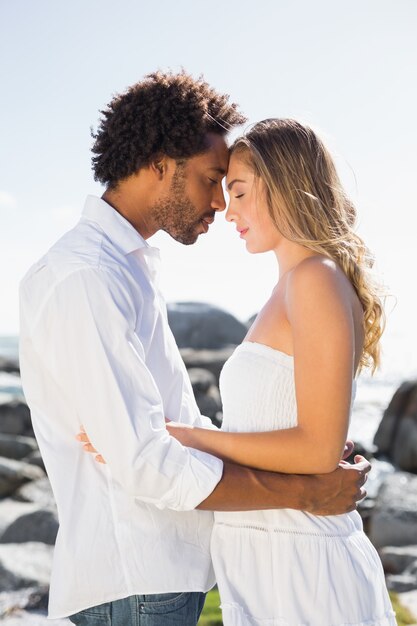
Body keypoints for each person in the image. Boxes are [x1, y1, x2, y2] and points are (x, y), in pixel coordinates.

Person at [19, 72, 369, 626]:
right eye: (214, 180)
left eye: (234, 188)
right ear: (161, 164)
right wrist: (305, 491)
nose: (219, 202)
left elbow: (172, 430)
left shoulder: (128, 272)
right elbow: (145, 463)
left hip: (181, 570)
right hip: (135, 577)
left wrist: (215, 436)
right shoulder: (85, 277)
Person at [163, 119, 396, 625]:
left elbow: (316, 448)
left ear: (286, 185)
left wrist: (193, 438)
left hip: (303, 562)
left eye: (240, 192)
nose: (229, 212)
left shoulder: (315, 279)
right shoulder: (291, 285)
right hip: (270, 555)